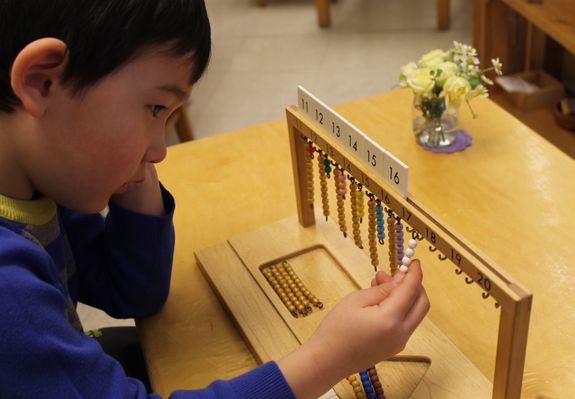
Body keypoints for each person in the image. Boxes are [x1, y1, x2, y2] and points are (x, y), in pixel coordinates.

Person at [0, 0, 430, 398]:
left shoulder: (37, 182)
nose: (160, 149)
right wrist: (330, 358)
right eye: (155, 109)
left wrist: (132, 170)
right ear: (42, 81)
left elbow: (132, 294)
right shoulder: (9, 292)